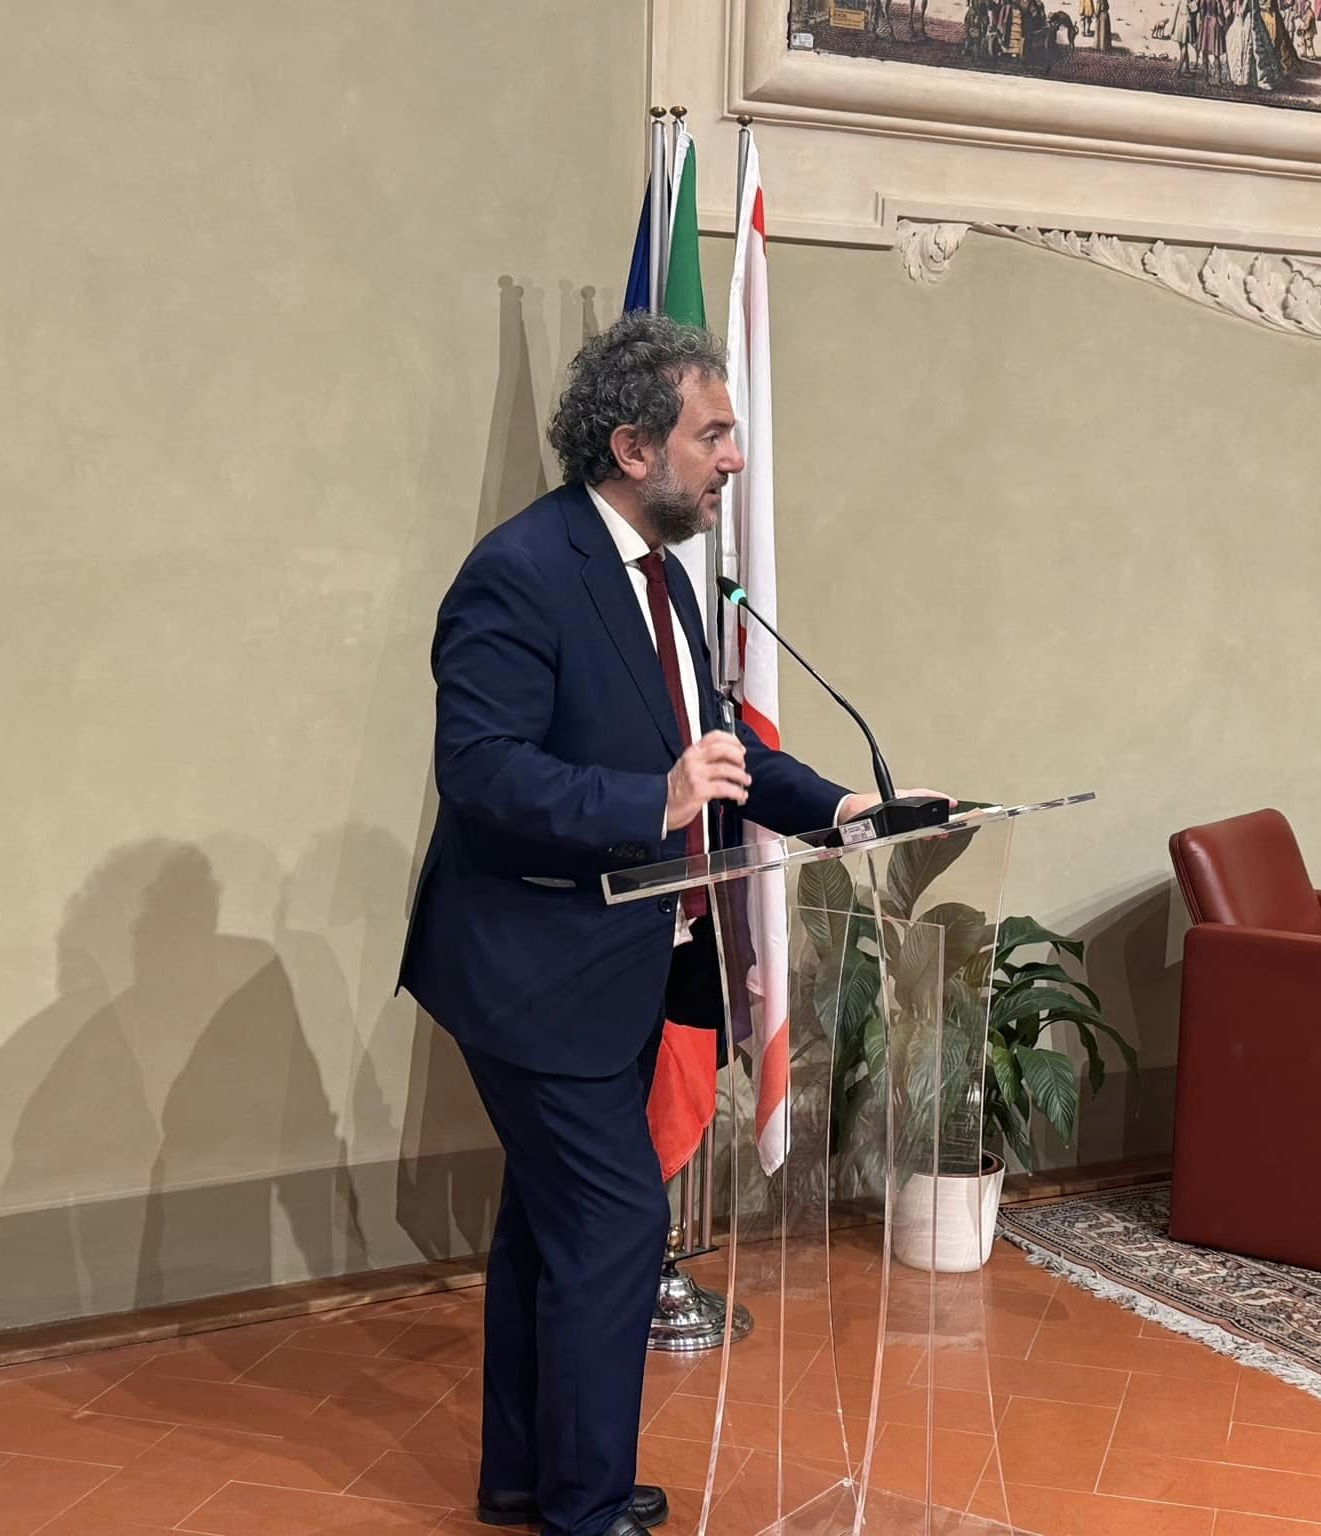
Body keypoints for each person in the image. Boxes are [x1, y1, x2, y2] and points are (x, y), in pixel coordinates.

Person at [399, 313, 934, 1536]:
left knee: (550, 1225)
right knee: (615, 1220)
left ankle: (530, 1478)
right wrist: (650, 800)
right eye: (714, 434)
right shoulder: (518, 571)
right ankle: (585, 1511)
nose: (734, 457)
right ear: (633, 447)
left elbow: (719, 745)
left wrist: (842, 808)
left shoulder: (662, 573)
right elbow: (478, 767)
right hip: (530, 965)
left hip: (622, 960)